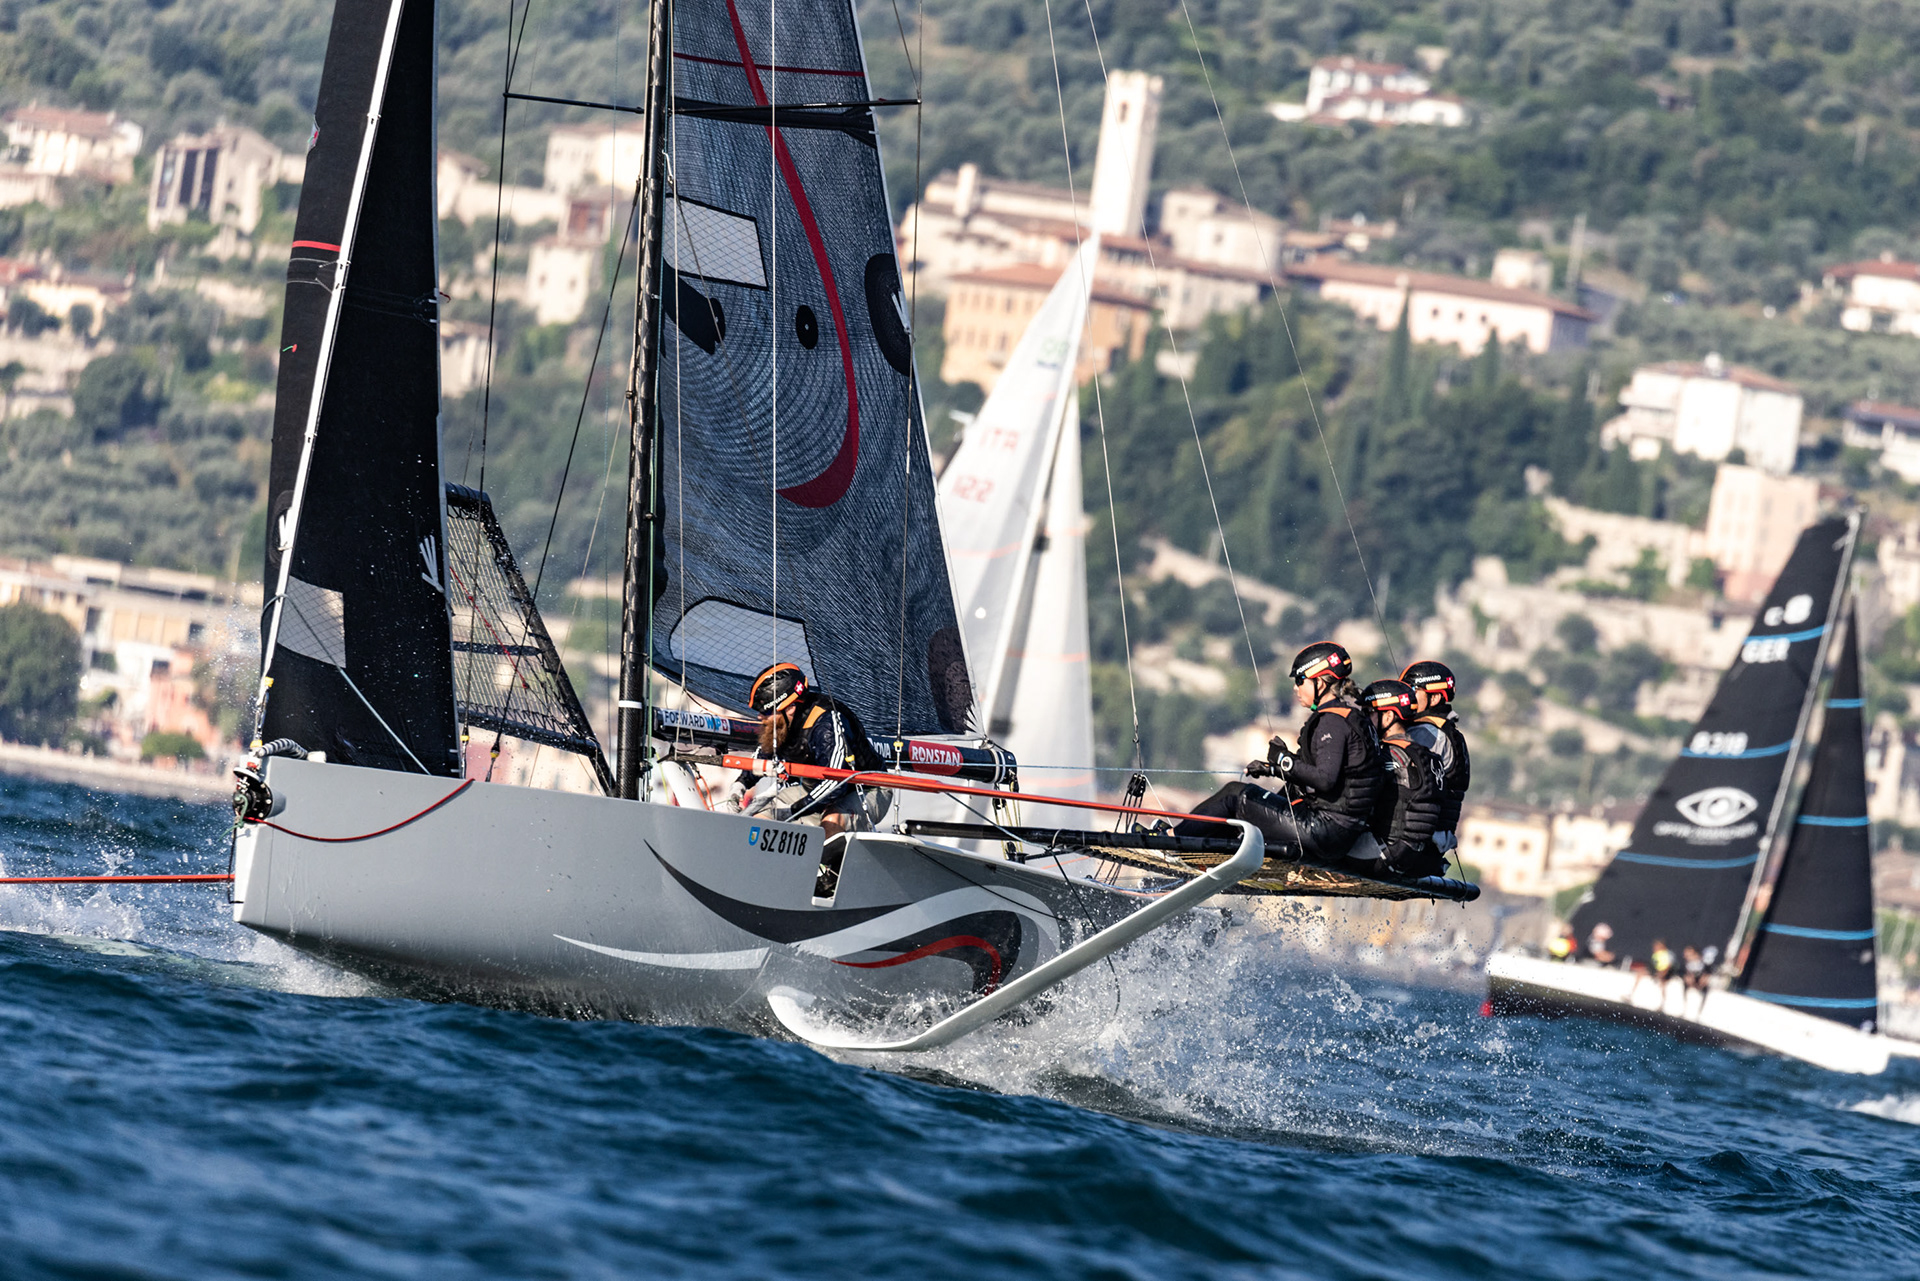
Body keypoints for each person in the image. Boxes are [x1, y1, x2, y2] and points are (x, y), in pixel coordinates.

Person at [1175, 642, 1383, 865]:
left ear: (1320, 683)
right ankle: (1202, 857)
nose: (1295, 688)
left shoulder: (1332, 721)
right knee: (1252, 807)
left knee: (1235, 794)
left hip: (1324, 829)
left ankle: (1172, 839)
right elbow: (1328, 773)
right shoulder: (1351, 717)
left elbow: (1325, 779)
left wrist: (1283, 759)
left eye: (1300, 680)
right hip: (1340, 833)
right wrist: (1272, 768)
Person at [739, 662, 885, 840]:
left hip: (865, 789)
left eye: (767, 711)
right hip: (813, 790)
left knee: (832, 820)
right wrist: (740, 784)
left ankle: (830, 857)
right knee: (760, 820)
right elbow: (762, 757)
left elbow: (836, 784)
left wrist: (795, 810)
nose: (760, 717)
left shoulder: (826, 724)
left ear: (790, 707)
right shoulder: (781, 723)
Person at [1360, 678, 1446, 877]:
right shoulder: (1429, 756)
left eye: (1369, 712)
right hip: (1417, 860)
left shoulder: (1387, 754)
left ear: (1388, 716)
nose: (1364, 719)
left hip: (1385, 855)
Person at [1400, 660, 1471, 870]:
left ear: (1435, 697)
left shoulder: (1426, 733)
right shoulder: (1449, 732)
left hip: (1416, 843)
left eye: (1412, 690)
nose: (1405, 696)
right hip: (1433, 841)